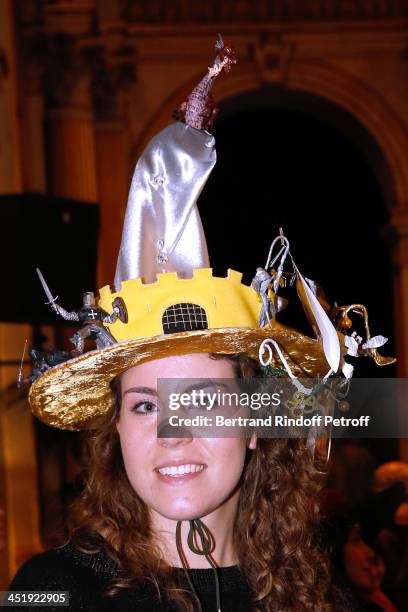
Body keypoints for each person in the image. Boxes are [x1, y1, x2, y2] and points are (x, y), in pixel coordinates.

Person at [7, 36, 393, 611]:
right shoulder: (49, 591)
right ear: (116, 428)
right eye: (143, 405)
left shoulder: (325, 601)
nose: (173, 434)